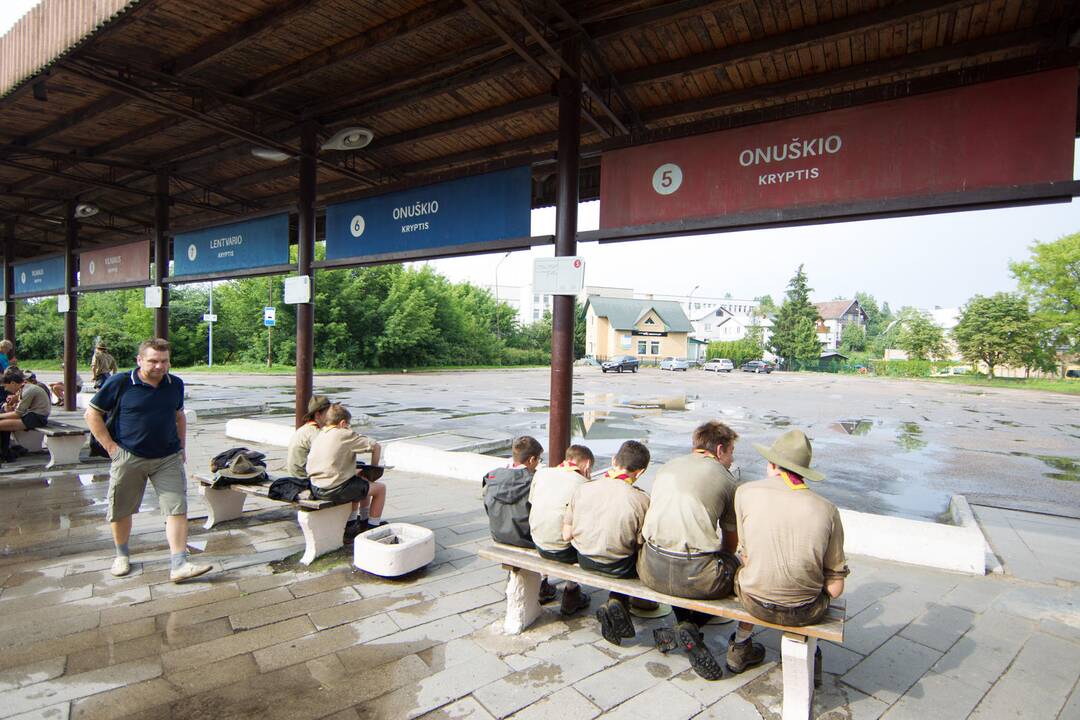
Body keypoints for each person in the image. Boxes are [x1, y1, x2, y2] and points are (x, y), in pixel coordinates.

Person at [85, 338, 210, 583]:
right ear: (139, 360)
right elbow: (92, 414)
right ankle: (121, 555)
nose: (159, 367)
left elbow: (179, 416)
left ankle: (179, 563)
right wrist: (111, 448)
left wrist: (181, 446)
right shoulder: (121, 382)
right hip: (129, 456)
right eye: (153, 361)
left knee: (177, 507)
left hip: (167, 457)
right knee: (121, 508)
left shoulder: (175, 384)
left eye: (164, 361)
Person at [734, 429, 849, 684]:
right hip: (805, 612)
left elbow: (745, 555)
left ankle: (740, 645)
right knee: (813, 586)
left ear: (772, 464)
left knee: (750, 572)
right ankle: (812, 656)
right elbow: (836, 587)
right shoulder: (827, 510)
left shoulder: (745, 492)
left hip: (754, 601)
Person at [639, 421, 743, 680]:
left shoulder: (667, 467)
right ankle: (690, 626)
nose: (731, 460)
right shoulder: (727, 479)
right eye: (731, 452)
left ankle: (684, 626)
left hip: (650, 568)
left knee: (694, 561)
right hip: (698, 579)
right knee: (735, 565)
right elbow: (730, 543)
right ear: (720, 450)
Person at [563, 440, 650, 646]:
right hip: (619, 567)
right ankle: (618, 601)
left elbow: (567, 532)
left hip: (585, 558)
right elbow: (640, 543)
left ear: (613, 460)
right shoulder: (641, 499)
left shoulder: (584, 488)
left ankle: (617, 604)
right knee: (633, 554)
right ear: (640, 472)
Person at [482, 435, 557, 604]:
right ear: (531, 459)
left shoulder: (491, 477)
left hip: (499, 535)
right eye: (539, 459)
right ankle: (555, 587)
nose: (538, 463)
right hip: (526, 539)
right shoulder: (536, 480)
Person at [528, 444, 594, 616]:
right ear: (586, 465)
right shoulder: (584, 485)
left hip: (538, 542)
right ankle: (572, 591)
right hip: (564, 550)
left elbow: (533, 503)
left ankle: (543, 584)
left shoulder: (541, 473)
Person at [306, 403, 386, 542]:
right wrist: (374, 469)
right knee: (380, 489)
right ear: (343, 422)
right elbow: (375, 446)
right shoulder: (343, 433)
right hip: (333, 489)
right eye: (348, 424)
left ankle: (353, 523)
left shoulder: (321, 433)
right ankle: (372, 528)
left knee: (360, 480)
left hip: (316, 486)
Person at [0, 367, 51, 462]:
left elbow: (17, 414)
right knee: (3, 424)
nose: (6, 389)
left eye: (6, 386)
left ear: (13, 383)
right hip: (32, 415)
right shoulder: (25, 388)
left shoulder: (28, 390)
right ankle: (5, 453)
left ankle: (5, 454)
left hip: (36, 418)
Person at [285, 395, 331, 478]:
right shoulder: (315, 433)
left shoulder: (306, 428)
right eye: (329, 413)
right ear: (318, 415)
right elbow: (327, 456)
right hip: (304, 477)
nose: (332, 415)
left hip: (297, 474)